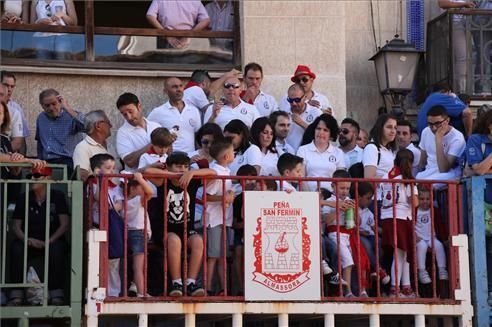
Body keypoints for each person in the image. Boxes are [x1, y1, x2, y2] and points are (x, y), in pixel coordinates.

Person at [145, 152, 215, 297]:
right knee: (174, 241)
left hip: (186, 229)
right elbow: (147, 171)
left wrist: (193, 172)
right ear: (169, 167)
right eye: (178, 166)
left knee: (198, 241)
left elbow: (213, 172)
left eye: (185, 166)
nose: (182, 169)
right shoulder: (163, 181)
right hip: (165, 230)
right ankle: (176, 282)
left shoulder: (192, 181)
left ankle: (191, 282)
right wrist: (169, 174)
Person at [9, 166, 69, 305]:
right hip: (29, 239)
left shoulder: (57, 196)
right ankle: (16, 294)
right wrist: (27, 240)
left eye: (36, 176)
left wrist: (49, 241)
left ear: (48, 178)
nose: (32, 180)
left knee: (57, 249)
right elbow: (16, 226)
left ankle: (56, 294)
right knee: (16, 248)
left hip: (52, 239)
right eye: (30, 176)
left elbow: (64, 224)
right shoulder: (24, 197)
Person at [323, 169, 369, 297]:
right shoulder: (329, 200)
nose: (345, 191)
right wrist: (339, 208)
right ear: (333, 186)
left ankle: (358, 290)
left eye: (347, 188)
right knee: (348, 261)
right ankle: (347, 292)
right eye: (342, 188)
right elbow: (326, 220)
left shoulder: (349, 199)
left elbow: (357, 222)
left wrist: (354, 210)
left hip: (348, 234)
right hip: (335, 233)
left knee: (358, 260)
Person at [380, 149, 419, 298]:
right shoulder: (407, 178)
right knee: (401, 254)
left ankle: (405, 286)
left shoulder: (386, 176)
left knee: (402, 253)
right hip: (402, 218)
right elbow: (414, 202)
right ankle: (395, 288)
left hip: (387, 217)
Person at [89, 153, 124, 297]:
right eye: (108, 168)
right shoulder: (92, 185)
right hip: (96, 226)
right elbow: (98, 198)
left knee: (113, 261)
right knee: (96, 260)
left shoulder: (114, 187)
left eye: (113, 168)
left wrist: (113, 206)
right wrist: (100, 180)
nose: (112, 172)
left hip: (111, 227)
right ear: (97, 170)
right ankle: (97, 291)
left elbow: (120, 204)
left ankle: (114, 292)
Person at [205, 137, 235, 295]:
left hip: (224, 218)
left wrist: (229, 193)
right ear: (226, 156)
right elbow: (205, 196)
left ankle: (223, 288)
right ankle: (208, 287)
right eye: (232, 152)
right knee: (213, 255)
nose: (234, 154)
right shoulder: (215, 172)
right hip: (214, 219)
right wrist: (222, 198)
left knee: (222, 255)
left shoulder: (226, 171)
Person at [350, 182, 390, 286]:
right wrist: (361, 232)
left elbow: (374, 227)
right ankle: (378, 269)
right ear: (358, 197)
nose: (371, 201)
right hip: (359, 235)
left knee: (380, 243)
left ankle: (374, 269)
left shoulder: (369, 212)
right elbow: (351, 225)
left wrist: (386, 232)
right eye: (368, 198)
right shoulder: (352, 208)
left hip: (370, 235)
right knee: (367, 246)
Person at [147, 77, 201, 153]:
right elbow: (149, 136)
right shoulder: (157, 112)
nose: (179, 89)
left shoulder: (194, 110)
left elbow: (198, 136)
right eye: (174, 87)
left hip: (190, 159)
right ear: (166, 91)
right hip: (170, 161)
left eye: (181, 86)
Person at [35, 88, 85, 169]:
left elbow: (87, 127)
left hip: (68, 161)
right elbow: (40, 142)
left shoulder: (71, 115)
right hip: (46, 162)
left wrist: (67, 108)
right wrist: (39, 159)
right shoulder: (41, 118)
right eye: (47, 105)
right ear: (42, 106)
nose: (51, 108)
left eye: (54, 104)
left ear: (60, 102)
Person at [123, 172, 155, 297]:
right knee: (138, 266)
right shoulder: (137, 200)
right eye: (141, 186)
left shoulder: (124, 202)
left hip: (129, 233)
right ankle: (142, 293)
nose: (144, 188)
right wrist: (140, 178)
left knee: (133, 264)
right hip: (139, 233)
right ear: (132, 188)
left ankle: (135, 286)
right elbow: (150, 192)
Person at [416, 105, 466, 181]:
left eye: (437, 123)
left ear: (447, 121)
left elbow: (444, 169)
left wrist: (438, 140)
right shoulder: (426, 131)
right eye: (430, 124)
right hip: (428, 172)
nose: (434, 128)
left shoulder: (457, 137)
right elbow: (422, 162)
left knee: (430, 182)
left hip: (448, 175)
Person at [297, 114, 345, 191]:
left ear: (331, 134)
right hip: (308, 195)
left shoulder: (338, 153)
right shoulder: (302, 150)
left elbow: (340, 179)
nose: (321, 132)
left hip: (331, 198)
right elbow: (300, 178)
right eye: (318, 128)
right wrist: (311, 196)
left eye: (325, 130)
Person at [438, 1, 476, 93]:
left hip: (467, 24)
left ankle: (466, 89)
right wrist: (463, 4)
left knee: (469, 58)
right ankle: (461, 90)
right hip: (453, 23)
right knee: (462, 57)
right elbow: (442, 3)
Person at [115, 92, 160, 172]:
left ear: (139, 107)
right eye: (124, 114)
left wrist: (169, 141)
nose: (129, 117)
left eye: (130, 111)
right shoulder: (122, 133)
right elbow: (129, 162)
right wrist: (155, 143)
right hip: (137, 181)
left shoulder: (156, 126)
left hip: (160, 179)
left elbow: (168, 153)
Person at [232, 164, 258, 295]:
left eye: (252, 178)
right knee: (238, 252)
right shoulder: (238, 199)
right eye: (246, 179)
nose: (249, 182)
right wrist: (247, 224)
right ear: (240, 181)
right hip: (241, 233)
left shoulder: (263, 196)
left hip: (259, 234)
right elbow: (235, 224)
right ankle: (242, 288)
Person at [415, 185, 448, 284]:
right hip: (419, 238)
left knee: (439, 246)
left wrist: (444, 238)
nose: (425, 201)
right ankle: (421, 271)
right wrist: (414, 236)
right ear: (417, 199)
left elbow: (440, 225)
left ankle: (442, 269)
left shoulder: (434, 210)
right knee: (422, 246)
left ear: (431, 199)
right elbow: (410, 226)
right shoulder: (414, 211)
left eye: (428, 199)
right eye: (422, 199)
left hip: (431, 237)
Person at [72, 110, 113, 182]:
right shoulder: (83, 147)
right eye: (108, 122)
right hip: (99, 192)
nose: (111, 125)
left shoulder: (111, 146)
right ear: (98, 126)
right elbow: (81, 176)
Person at [284, 83, 321, 151]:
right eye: (290, 100)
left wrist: (301, 123)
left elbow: (321, 135)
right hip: (289, 156)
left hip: (309, 155)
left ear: (305, 97)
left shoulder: (316, 113)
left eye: (297, 100)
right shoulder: (284, 114)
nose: (294, 103)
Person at [363, 114, 398, 179]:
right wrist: (391, 178)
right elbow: (369, 177)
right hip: (378, 189)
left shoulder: (390, 150)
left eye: (395, 128)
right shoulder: (371, 148)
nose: (393, 131)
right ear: (380, 128)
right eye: (389, 127)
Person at [2, 71, 28, 154]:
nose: (9, 89)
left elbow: (20, 140)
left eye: (12, 86)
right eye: (6, 85)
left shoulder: (16, 109)